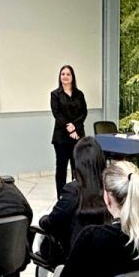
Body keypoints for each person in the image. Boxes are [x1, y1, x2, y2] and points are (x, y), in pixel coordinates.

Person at [35, 136, 109, 275]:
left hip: (70, 257)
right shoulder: (109, 188)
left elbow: (53, 221)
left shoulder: (73, 190)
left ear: (77, 162)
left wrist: (42, 220)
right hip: (102, 253)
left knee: (41, 233)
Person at [50, 65, 88, 197]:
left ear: (72, 77)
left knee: (77, 167)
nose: (65, 76)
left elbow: (84, 113)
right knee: (61, 168)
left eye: (68, 74)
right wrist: (70, 129)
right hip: (61, 137)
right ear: (60, 77)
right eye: (63, 74)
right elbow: (57, 114)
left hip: (78, 136)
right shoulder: (55, 94)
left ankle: (78, 194)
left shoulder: (79, 94)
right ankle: (61, 196)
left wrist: (75, 127)